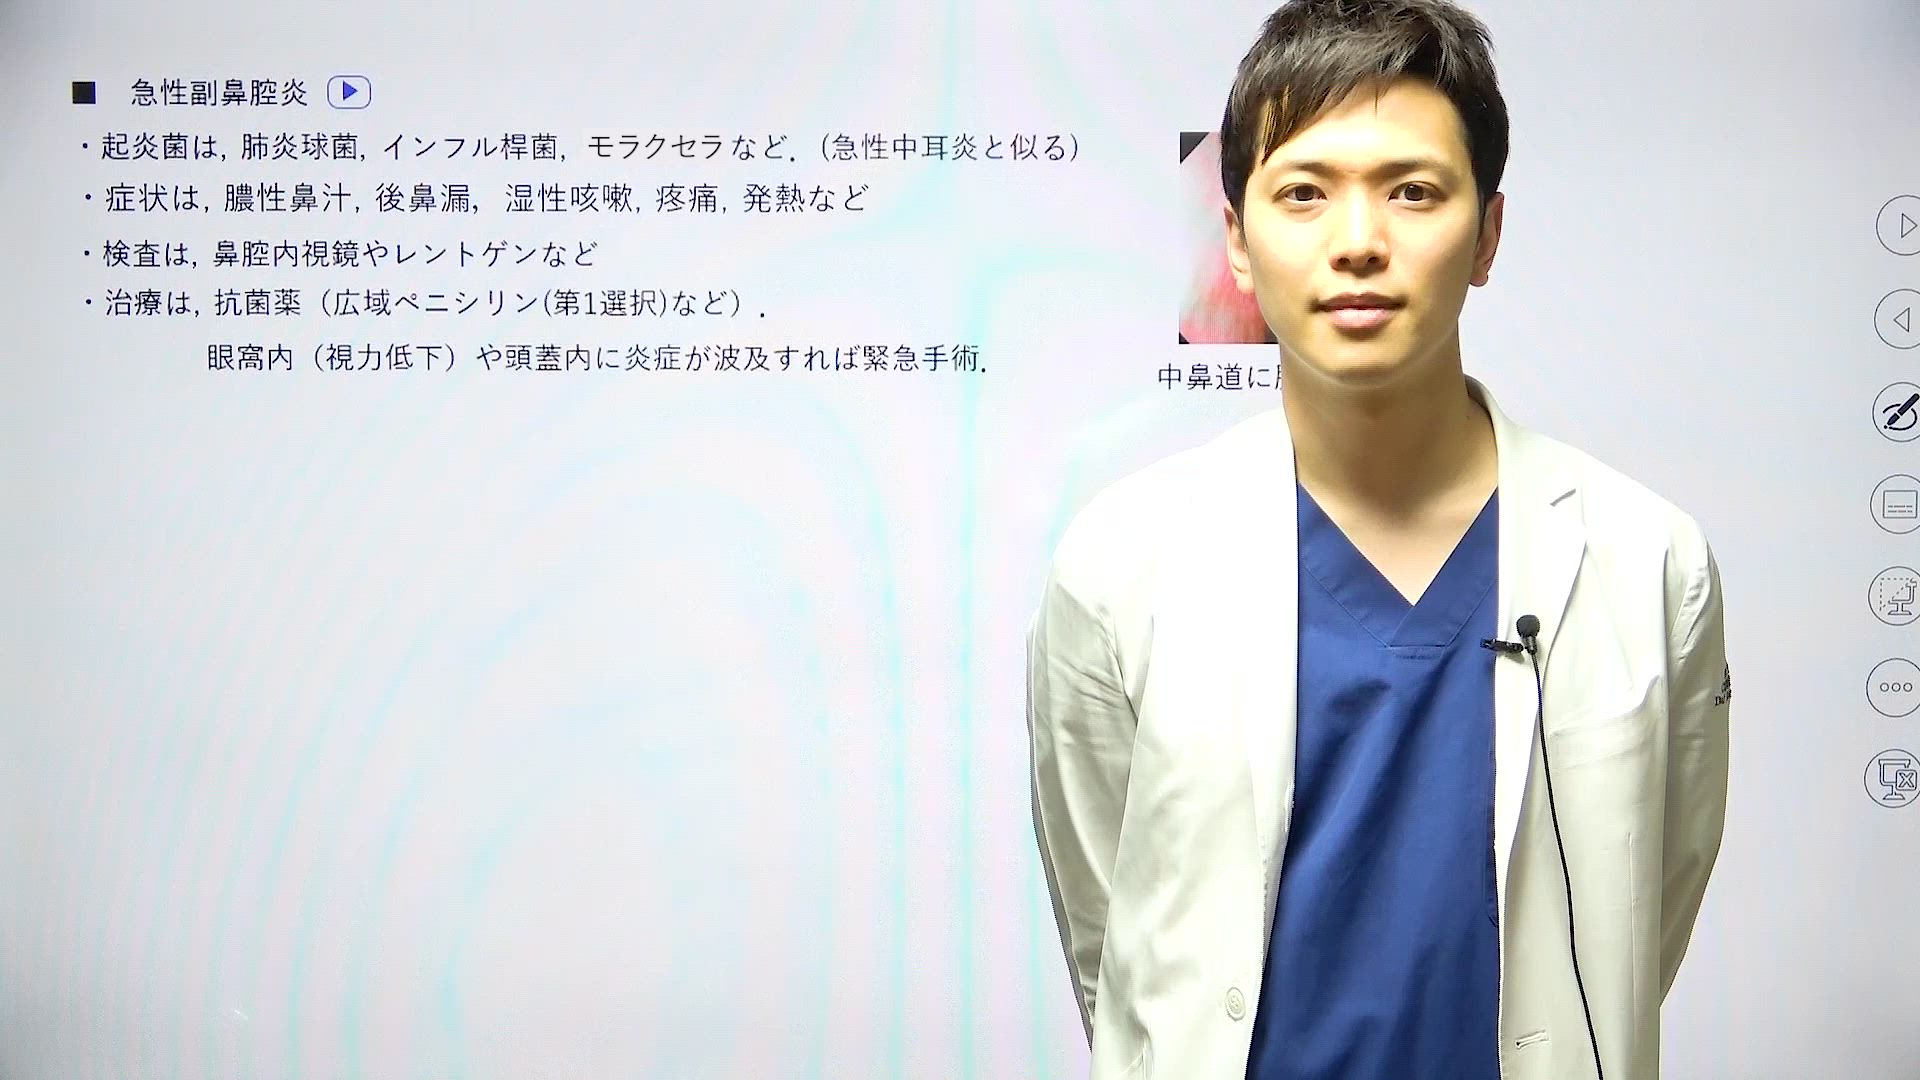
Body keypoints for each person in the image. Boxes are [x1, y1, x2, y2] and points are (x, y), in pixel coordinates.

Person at [1023, 2, 1732, 1078]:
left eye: (1413, 191)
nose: (1358, 241)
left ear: (1488, 235)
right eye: (1303, 193)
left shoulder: (1647, 559)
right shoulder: (1120, 564)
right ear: (1236, 241)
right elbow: (1119, 945)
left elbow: (1638, 929)